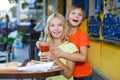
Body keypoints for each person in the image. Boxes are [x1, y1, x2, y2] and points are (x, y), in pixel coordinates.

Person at [51, 4, 93, 80]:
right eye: (73, 13)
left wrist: (62, 54)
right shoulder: (63, 34)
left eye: (79, 15)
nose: (76, 16)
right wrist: (39, 44)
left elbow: (83, 57)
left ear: (82, 20)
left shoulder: (82, 36)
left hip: (82, 75)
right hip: (68, 73)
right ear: (67, 17)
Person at [36, 13, 78, 80]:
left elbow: (68, 75)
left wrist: (55, 58)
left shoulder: (71, 47)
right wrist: (42, 63)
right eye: (52, 25)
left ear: (64, 28)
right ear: (48, 28)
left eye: (60, 25)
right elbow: (43, 71)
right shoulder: (46, 46)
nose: (56, 29)